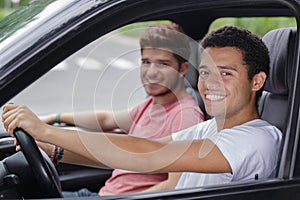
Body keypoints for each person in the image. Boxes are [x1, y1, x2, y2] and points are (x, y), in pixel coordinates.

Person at [2, 26, 282, 192]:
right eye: (206, 73)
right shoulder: (213, 128)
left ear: (256, 81)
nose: (210, 84)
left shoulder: (256, 139)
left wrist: (47, 130)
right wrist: (55, 150)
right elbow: (134, 151)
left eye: (226, 74)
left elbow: (150, 155)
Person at [28, 23, 204, 197]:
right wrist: (54, 118)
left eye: (163, 64)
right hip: (102, 193)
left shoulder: (186, 116)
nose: (151, 72)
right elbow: (105, 120)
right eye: (146, 62)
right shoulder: (152, 104)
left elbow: (175, 186)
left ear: (183, 69)